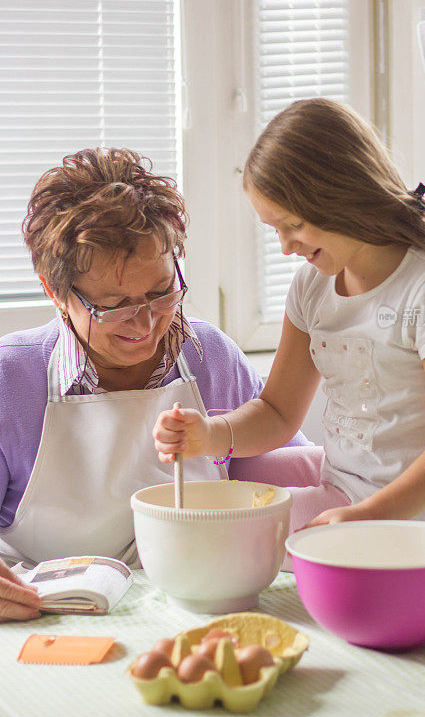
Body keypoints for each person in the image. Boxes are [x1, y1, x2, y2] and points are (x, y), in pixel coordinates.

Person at [154, 98, 425, 539]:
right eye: (275, 230)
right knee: (225, 473)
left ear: (344, 195)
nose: (285, 246)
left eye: (294, 225)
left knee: (226, 532)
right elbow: (278, 411)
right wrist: (208, 434)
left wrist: (367, 516)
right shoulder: (312, 288)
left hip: (406, 517)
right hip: (341, 482)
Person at [0, 146, 312, 622]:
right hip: (51, 623)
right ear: (55, 292)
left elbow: (300, 477)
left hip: (198, 614)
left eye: (162, 292)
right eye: (115, 305)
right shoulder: (12, 382)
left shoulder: (209, 359)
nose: (146, 323)